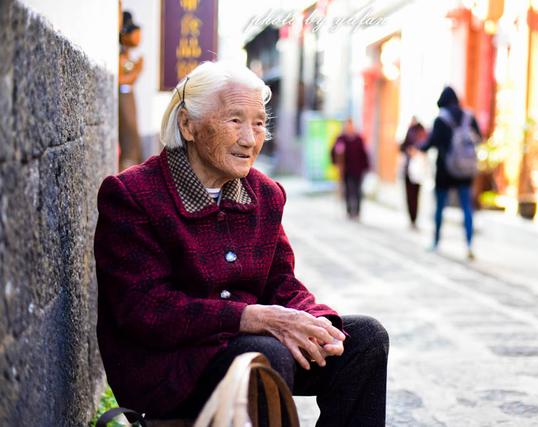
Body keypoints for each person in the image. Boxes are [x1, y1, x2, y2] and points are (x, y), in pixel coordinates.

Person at [94, 61, 389, 426]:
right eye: (235, 120)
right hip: (169, 368)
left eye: (260, 123)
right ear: (188, 125)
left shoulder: (264, 194)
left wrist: (318, 322)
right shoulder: (133, 195)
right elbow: (145, 309)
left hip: (246, 349)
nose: (250, 139)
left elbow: (282, 284)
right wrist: (250, 318)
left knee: (364, 340)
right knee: (263, 358)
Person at [418, 86, 481, 260]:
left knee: (440, 207)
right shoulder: (469, 116)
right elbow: (479, 138)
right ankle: (469, 244)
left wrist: (418, 147)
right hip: (466, 170)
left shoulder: (441, 120)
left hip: (445, 171)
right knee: (466, 208)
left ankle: (437, 241)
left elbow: (430, 143)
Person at [118, 11, 144, 171]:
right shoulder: (120, 57)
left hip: (129, 95)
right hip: (123, 94)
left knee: (133, 133)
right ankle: (127, 166)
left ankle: (132, 164)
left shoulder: (128, 56)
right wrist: (136, 71)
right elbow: (121, 79)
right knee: (128, 133)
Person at [330, 119, 369, 220]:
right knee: (348, 190)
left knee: (358, 191)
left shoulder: (358, 139)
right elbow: (333, 151)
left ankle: (357, 211)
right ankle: (349, 210)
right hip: (346, 170)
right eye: (348, 126)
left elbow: (364, 154)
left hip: (358, 170)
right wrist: (336, 157)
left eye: (351, 126)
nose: (349, 128)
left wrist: (366, 167)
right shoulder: (341, 139)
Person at [400, 117, 428, 229]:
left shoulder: (421, 133)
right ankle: (412, 218)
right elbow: (402, 147)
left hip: (417, 170)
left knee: (413, 195)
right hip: (409, 169)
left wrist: (415, 151)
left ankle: (414, 218)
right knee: (411, 195)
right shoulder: (409, 132)